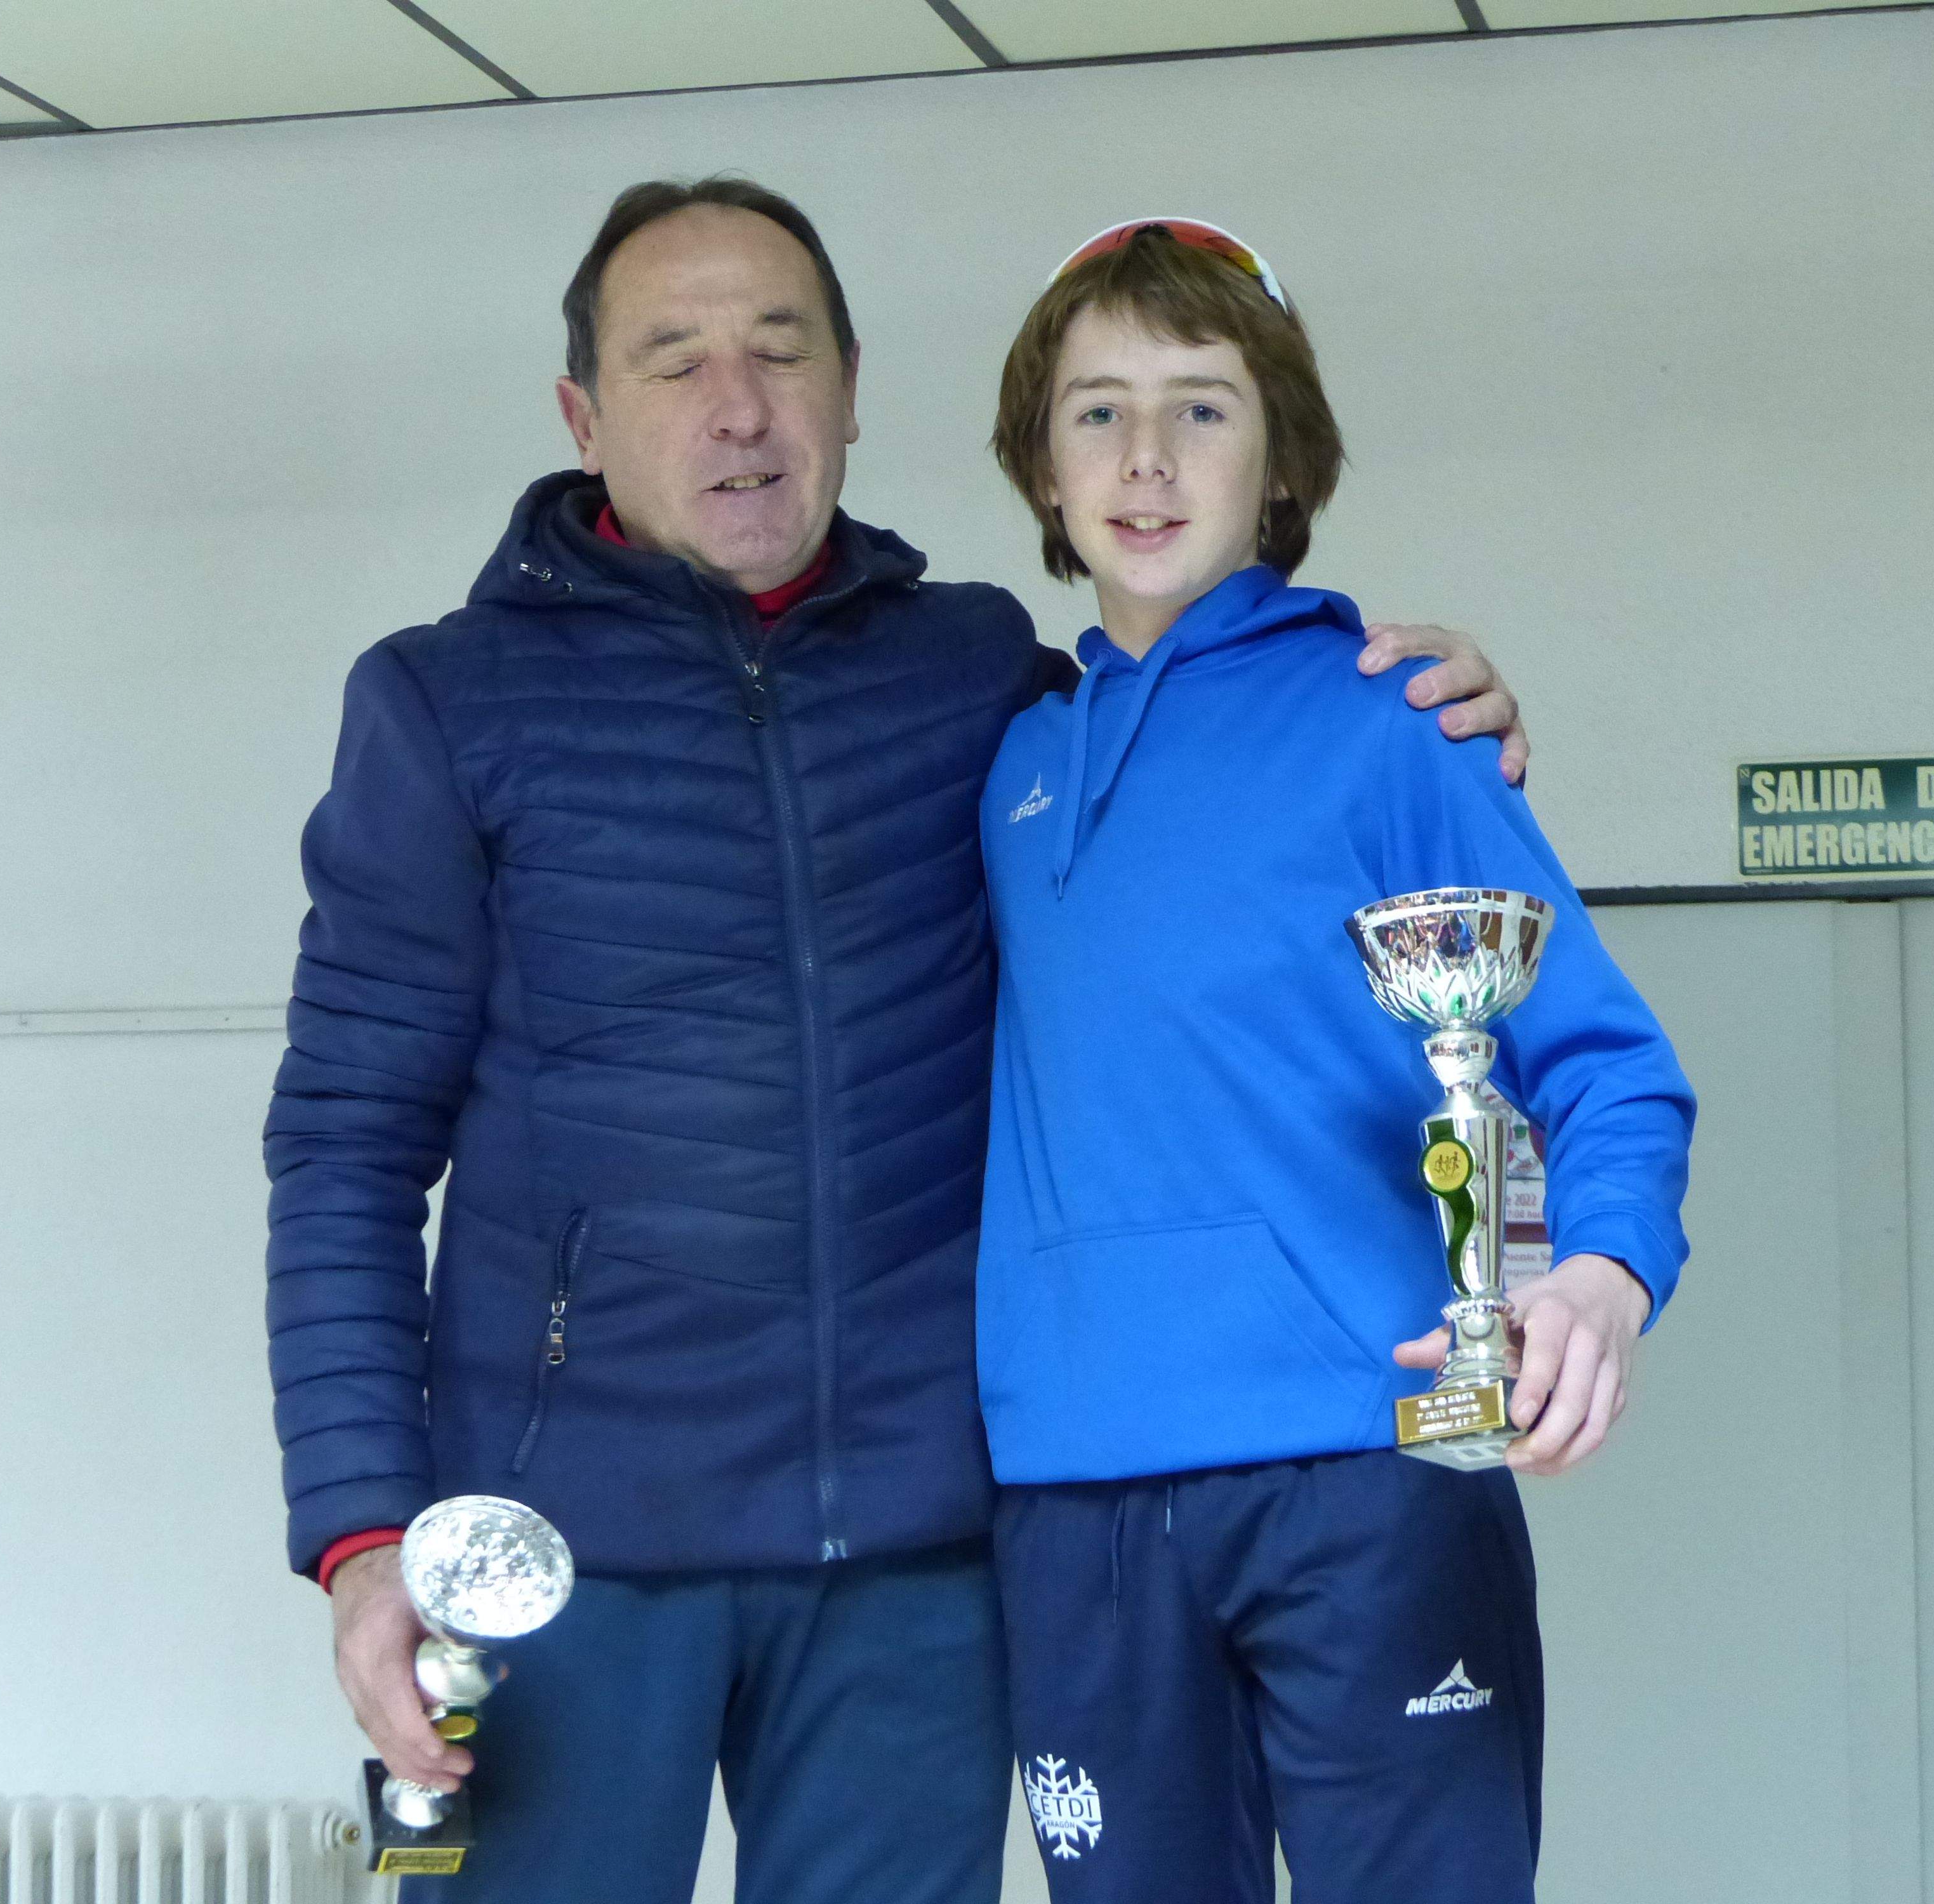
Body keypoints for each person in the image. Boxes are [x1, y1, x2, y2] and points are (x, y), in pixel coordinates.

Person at [264, 179, 1530, 1904]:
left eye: (781, 352)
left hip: (916, 1565)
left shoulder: (983, 682)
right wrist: (358, 1537)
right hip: (563, 1557)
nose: (739, 407)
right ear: (582, 415)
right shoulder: (444, 704)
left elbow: (1200, 764)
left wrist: (1401, 698)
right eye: (674, 361)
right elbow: (343, 1145)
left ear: (854, 389)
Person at [972, 218, 1696, 1904]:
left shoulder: (1394, 727)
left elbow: (1605, 1062)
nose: (1146, 461)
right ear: (1040, 459)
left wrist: (1598, 1276)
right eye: (1097, 412)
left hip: (1369, 1468)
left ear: (1281, 453)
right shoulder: (1001, 764)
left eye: (1203, 409)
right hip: (1073, 1497)